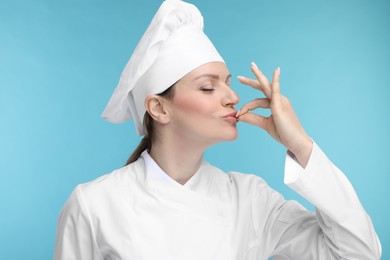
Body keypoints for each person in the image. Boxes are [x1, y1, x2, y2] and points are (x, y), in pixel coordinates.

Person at [54, 0, 381, 259]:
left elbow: (357, 254)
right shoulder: (94, 205)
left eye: (227, 83)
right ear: (159, 108)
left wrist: (301, 145)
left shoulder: (249, 200)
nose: (233, 97)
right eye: (208, 88)